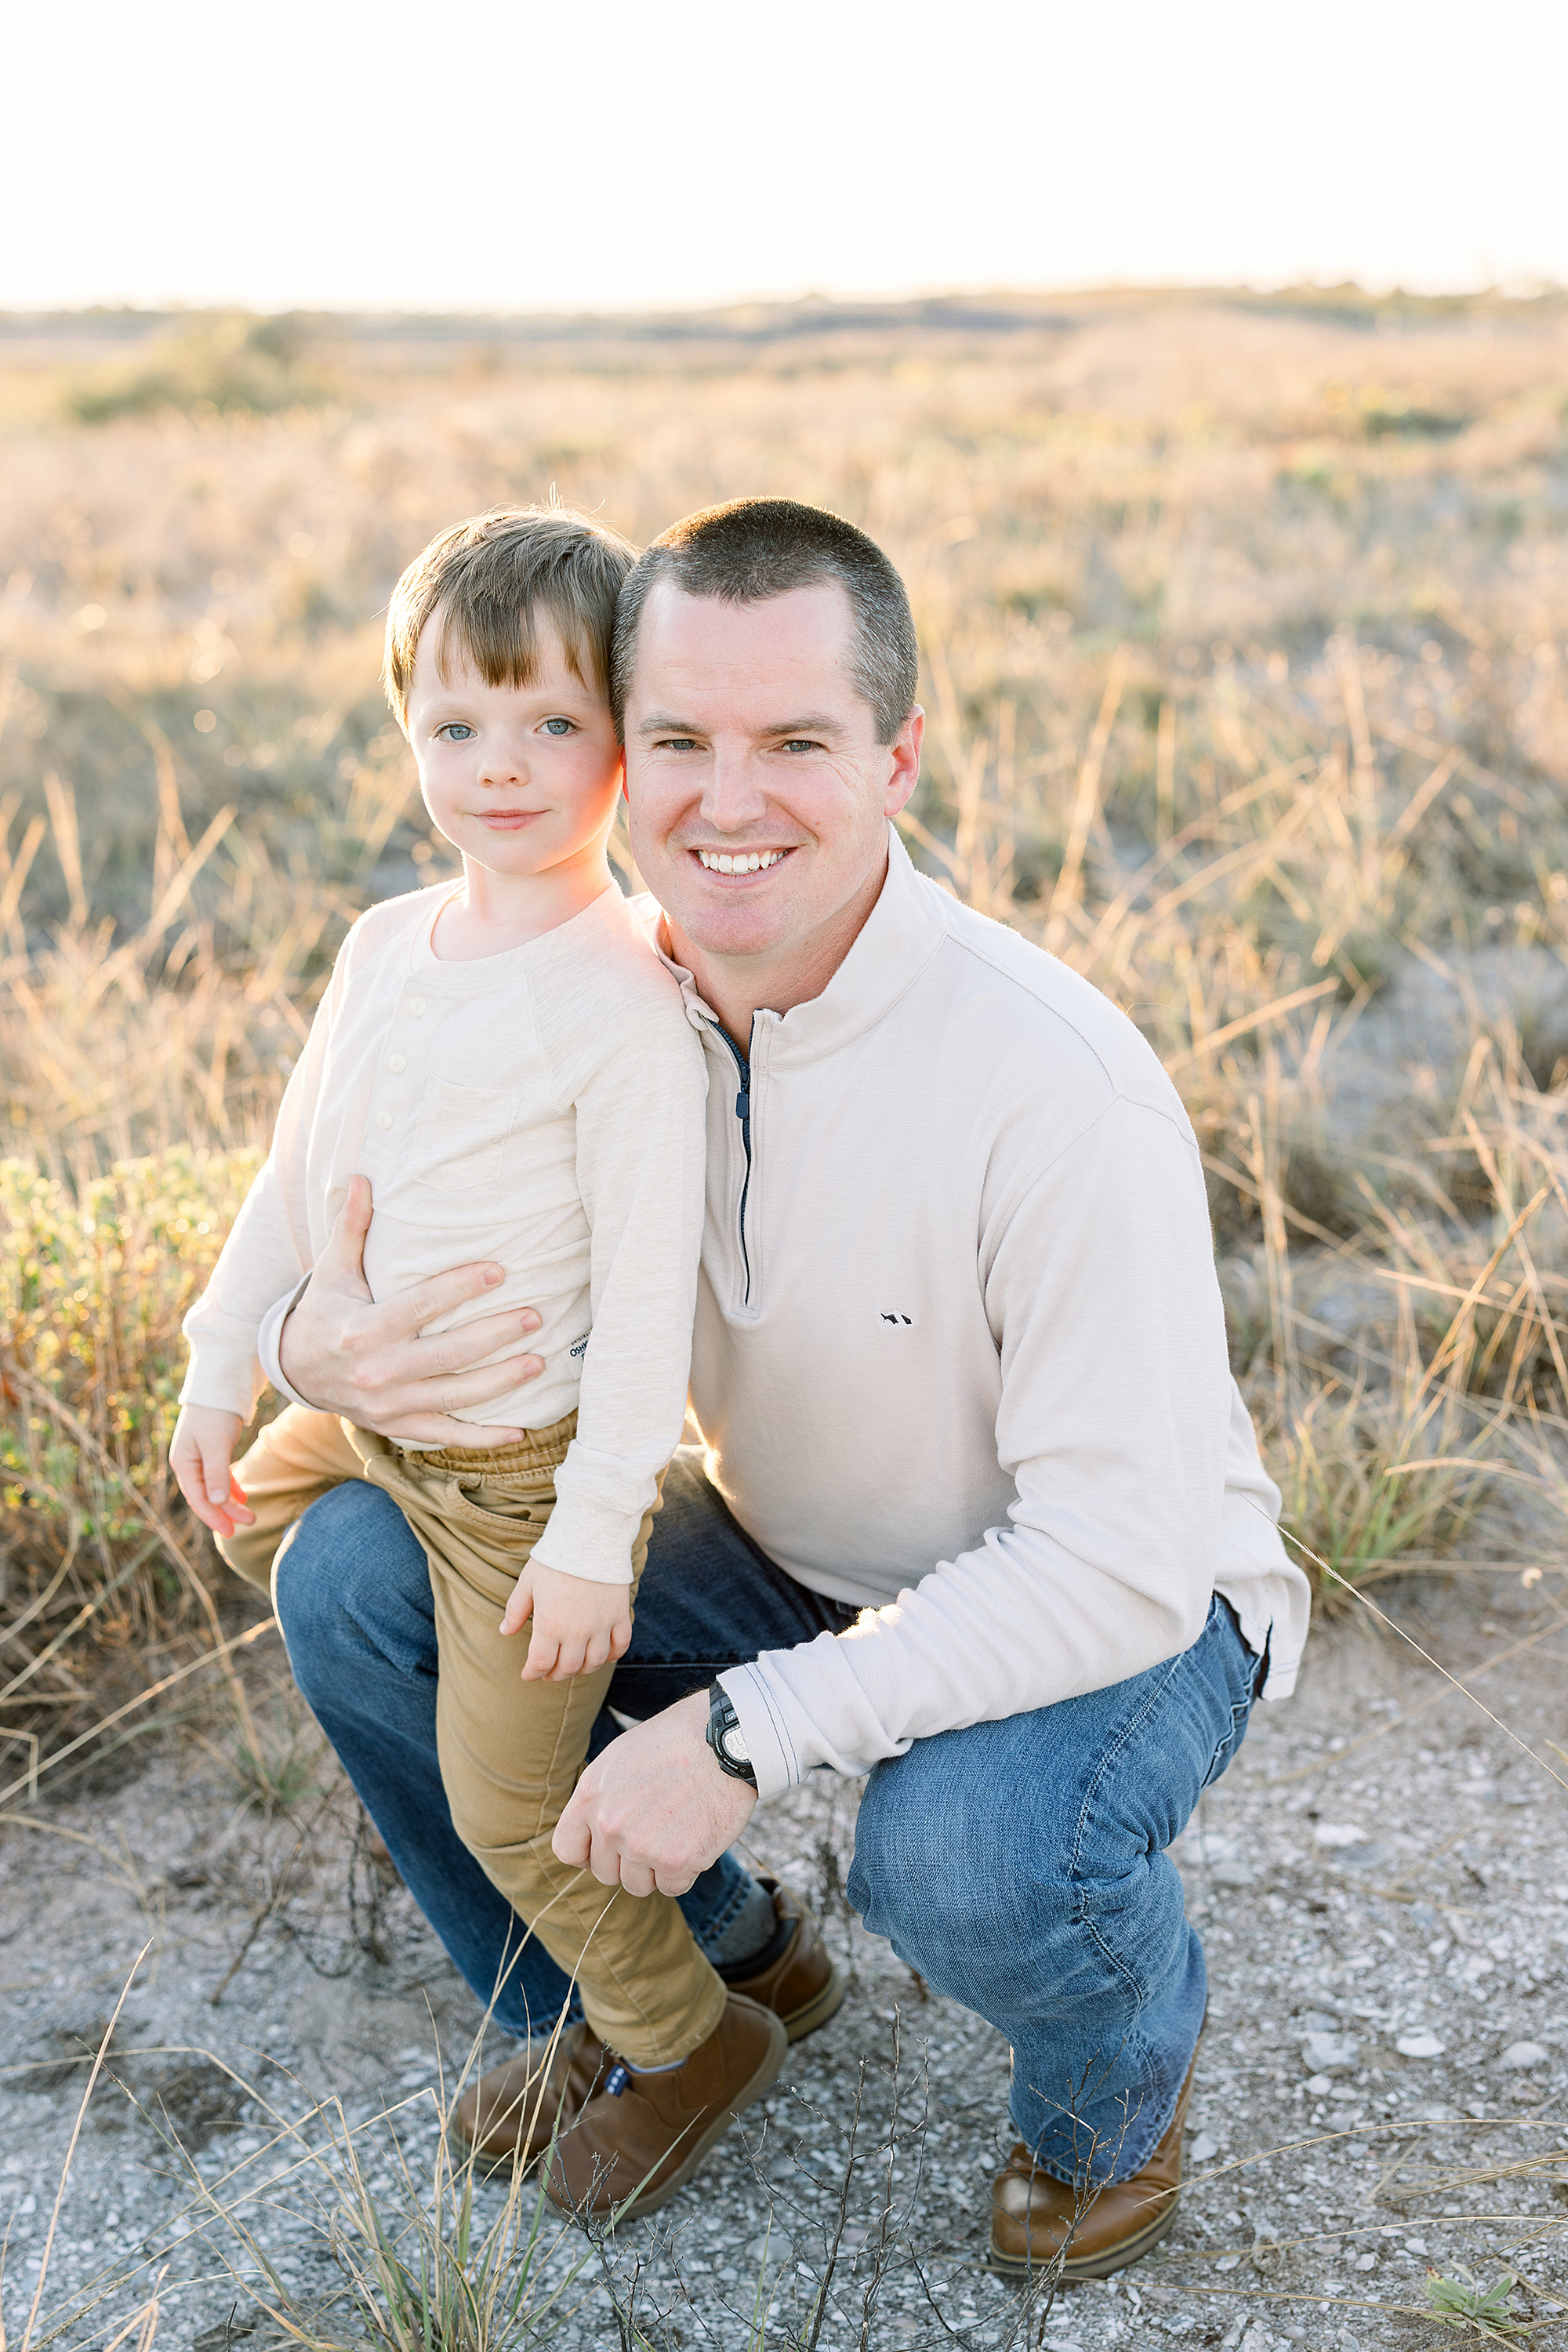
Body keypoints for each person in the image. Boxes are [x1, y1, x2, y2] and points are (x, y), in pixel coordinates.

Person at [256, 498, 1312, 2271]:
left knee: (962, 1851)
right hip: (781, 1542)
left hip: (1116, 1600)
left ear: (895, 756)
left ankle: (1109, 2092)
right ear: (613, 749)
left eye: (794, 743)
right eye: (675, 738)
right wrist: (301, 1344)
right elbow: (338, 1222)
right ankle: (688, 1978)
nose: (724, 804)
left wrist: (745, 1732)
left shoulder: (1051, 1084)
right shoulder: (598, 998)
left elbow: (1118, 1555)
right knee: (363, 1588)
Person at [169, 506, 805, 2214]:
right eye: (455, 725)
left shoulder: (621, 1005)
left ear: (622, 739)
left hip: (519, 1488)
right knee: (249, 1520)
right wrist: (226, 1357)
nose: (499, 768)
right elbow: (296, 1178)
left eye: (549, 725)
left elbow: (651, 1310)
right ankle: (655, 1980)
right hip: (378, 1426)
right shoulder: (386, 945)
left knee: (506, 1803)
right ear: (405, 735)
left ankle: (687, 2033)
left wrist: (597, 1532)